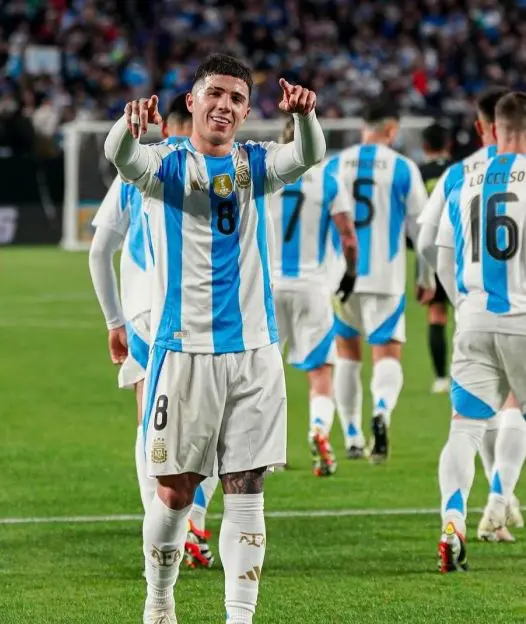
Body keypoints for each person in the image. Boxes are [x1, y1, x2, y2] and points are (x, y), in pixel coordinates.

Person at [104, 53, 325, 624]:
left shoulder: (255, 165)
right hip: (184, 352)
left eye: (236, 98)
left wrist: (304, 118)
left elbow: (309, 155)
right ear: (192, 101)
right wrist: (128, 128)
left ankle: (239, 617)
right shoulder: (164, 165)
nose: (224, 105)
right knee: (175, 493)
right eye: (214, 94)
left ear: (247, 111)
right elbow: (119, 157)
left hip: (255, 351)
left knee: (245, 486)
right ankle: (159, 601)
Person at [88, 93, 218, 569]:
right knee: (215, 426)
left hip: (146, 313)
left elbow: (99, 251)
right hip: (207, 317)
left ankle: (162, 533)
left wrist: (114, 321)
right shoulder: (221, 172)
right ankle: (193, 523)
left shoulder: (137, 172)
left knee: (152, 427)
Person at [418, 86, 524, 542]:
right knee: (513, 412)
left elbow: (432, 247)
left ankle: (453, 517)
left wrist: (461, 300)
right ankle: (500, 499)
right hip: (523, 317)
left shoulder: (465, 176)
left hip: (474, 315)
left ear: (490, 129)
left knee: (465, 427)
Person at [327, 98, 433, 463]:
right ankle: (382, 410)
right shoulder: (403, 167)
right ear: (392, 131)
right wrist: (426, 275)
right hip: (386, 276)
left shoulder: (336, 164)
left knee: (347, 355)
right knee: (387, 353)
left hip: (342, 276)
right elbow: (422, 230)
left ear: (362, 129)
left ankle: (353, 435)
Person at [269, 118, 357, 476]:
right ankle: (319, 431)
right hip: (313, 288)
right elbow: (348, 238)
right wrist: (350, 275)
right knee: (320, 370)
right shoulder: (328, 181)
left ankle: (271, 452)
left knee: (266, 374)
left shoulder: (265, 176)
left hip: (268, 288)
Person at [418, 122, 453, 394]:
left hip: (429, 252)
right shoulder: (459, 172)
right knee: (466, 312)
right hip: (460, 251)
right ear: (448, 145)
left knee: (436, 314)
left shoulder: (419, 173)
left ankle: (441, 377)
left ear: (424, 146)